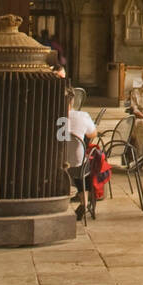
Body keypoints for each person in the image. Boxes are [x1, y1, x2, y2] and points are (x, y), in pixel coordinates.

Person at [64, 86, 99, 218]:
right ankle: (84, 202)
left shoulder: (54, 117)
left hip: (57, 163)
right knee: (86, 163)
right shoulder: (82, 116)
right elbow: (92, 134)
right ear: (72, 102)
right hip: (77, 164)